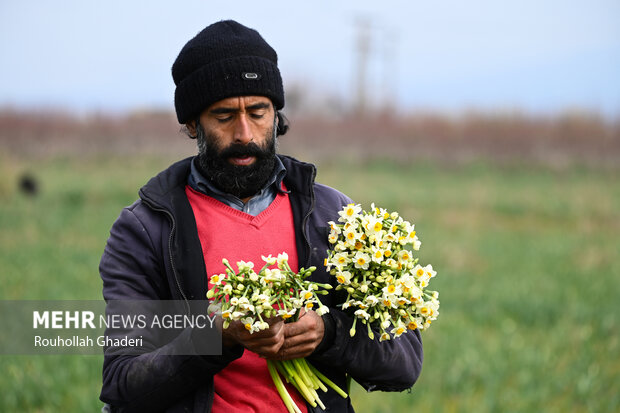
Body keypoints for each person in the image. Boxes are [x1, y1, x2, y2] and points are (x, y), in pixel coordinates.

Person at [99, 20, 423, 413]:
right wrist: (220, 336)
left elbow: (404, 362)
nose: (245, 133)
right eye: (223, 116)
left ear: (276, 115)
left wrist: (327, 334)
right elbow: (123, 383)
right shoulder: (146, 230)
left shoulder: (333, 216)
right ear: (191, 123)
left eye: (258, 112)